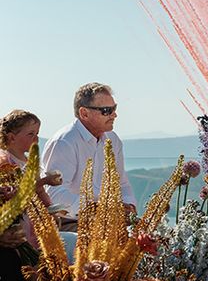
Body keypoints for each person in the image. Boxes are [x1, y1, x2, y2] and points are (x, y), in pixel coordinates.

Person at [0, 109, 60, 281]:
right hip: (19, 225)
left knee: (36, 275)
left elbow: (40, 193)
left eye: (37, 133)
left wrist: (54, 209)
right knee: (25, 274)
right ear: (11, 136)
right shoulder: (5, 160)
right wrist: (44, 180)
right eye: (30, 134)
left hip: (34, 223)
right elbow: (20, 190)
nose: (35, 139)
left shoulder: (28, 159)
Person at [41, 84, 137, 225]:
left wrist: (129, 206)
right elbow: (54, 194)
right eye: (106, 111)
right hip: (69, 223)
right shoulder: (64, 142)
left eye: (114, 108)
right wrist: (98, 210)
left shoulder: (113, 139)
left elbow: (122, 184)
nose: (114, 115)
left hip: (105, 222)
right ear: (84, 113)